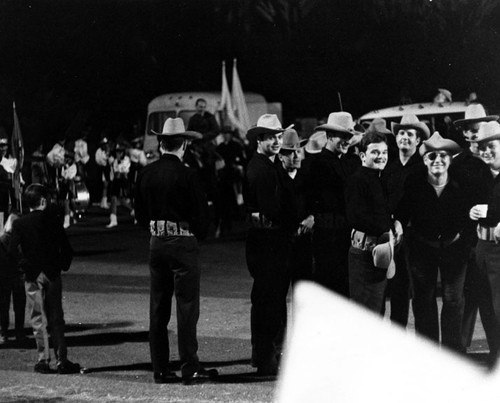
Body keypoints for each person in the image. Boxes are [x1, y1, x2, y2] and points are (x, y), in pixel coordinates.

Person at [134, 118, 217, 385]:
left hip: (157, 241)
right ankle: (189, 366)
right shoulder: (189, 174)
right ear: (183, 145)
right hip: (182, 241)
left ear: (161, 144)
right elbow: (201, 216)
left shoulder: (145, 173)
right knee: (187, 307)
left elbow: (139, 214)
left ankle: (160, 368)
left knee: (158, 307)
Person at [396, 132, 474, 353]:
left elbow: (470, 218)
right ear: (424, 160)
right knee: (423, 300)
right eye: (431, 156)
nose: (437, 160)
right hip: (422, 249)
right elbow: (402, 212)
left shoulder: (461, 184)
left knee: (453, 300)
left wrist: (465, 242)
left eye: (442, 156)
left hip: (455, 249)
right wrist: (398, 225)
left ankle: (452, 352)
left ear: (450, 160)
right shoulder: (414, 183)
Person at [9, 184, 80, 374]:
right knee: (57, 317)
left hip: (32, 274)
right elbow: (65, 247)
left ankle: (43, 359)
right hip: (52, 273)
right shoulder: (53, 221)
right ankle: (61, 358)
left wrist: (23, 266)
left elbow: (12, 250)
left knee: (37, 318)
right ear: (42, 201)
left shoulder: (20, 224)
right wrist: (62, 265)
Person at [244, 114, 291, 376]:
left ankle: (267, 354)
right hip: (267, 242)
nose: (277, 141)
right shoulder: (261, 169)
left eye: (279, 136)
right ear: (260, 139)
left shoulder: (269, 165)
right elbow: (273, 208)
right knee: (268, 301)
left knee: (270, 300)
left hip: (269, 241)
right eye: (271, 137)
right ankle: (266, 358)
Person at [453, 104, 499, 352]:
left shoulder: (492, 161)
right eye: (469, 131)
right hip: (467, 241)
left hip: (491, 241)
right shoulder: (458, 163)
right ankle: (460, 354)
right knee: (466, 300)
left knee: (493, 302)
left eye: (478, 129)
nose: (474, 135)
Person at [346, 131, 402, 313]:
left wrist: (394, 223)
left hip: (380, 252)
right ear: (363, 156)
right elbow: (356, 217)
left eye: (384, 152)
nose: (381, 157)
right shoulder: (357, 180)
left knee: (376, 310)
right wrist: (386, 226)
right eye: (375, 152)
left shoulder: (379, 179)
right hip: (364, 255)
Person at [382, 115, 429, 327]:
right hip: (389, 235)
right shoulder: (388, 167)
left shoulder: (422, 168)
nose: (405, 138)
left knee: (419, 291)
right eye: (401, 133)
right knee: (395, 289)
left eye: (410, 134)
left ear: (418, 140)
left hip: (415, 237)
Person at [309, 112, 360, 297]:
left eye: (349, 137)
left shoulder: (346, 162)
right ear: (329, 136)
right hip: (328, 238)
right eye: (342, 136)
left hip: (344, 236)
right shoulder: (318, 164)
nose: (346, 141)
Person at [469, 121, 500, 365]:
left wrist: (490, 211)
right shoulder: (481, 174)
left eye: (492, 146)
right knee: (486, 307)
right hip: (482, 247)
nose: (486, 151)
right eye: (482, 147)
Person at [0, 213, 26, 345]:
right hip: (17, 275)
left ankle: (3, 333)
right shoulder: (20, 239)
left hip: (4, 276)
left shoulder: (3, 239)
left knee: (3, 307)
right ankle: (19, 332)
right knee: (19, 306)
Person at [106, 143, 132, 228]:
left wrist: (119, 163)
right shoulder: (114, 160)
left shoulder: (127, 159)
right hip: (116, 181)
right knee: (113, 199)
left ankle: (134, 212)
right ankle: (113, 220)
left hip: (123, 181)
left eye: (120, 152)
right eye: (117, 152)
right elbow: (114, 170)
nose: (118, 153)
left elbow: (123, 170)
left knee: (123, 201)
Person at [0, 135, 17, 227]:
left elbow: (13, 170)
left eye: (4, 145)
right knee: (1, 208)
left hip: (9, 186)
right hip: (1, 187)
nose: (2, 148)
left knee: (9, 207)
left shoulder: (11, 158)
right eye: (1, 146)